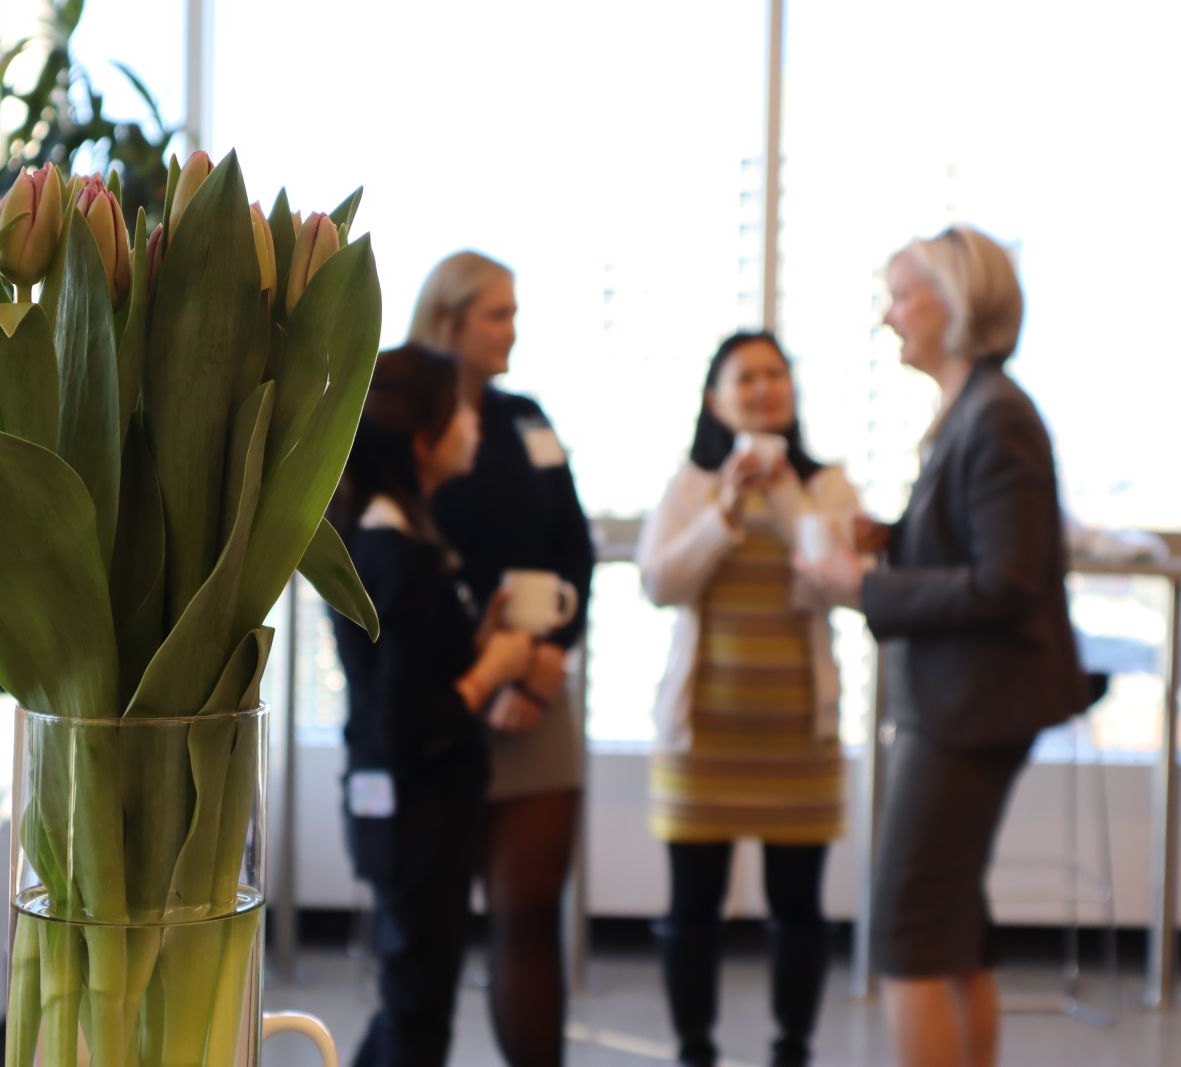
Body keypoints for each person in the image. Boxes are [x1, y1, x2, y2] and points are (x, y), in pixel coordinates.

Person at [796, 225, 1088, 1067]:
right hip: (965, 701)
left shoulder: (996, 417)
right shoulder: (975, 411)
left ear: (953, 303)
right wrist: (894, 538)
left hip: (970, 710)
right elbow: (982, 548)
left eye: (900, 296)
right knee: (950, 922)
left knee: (910, 929)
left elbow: (1007, 581)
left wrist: (865, 586)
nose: (888, 316)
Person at [636, 330, 857, 1067]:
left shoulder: (827, 486)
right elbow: (659, 583)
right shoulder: (690, 485)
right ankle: (694, 1048)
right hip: (701, 738)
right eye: (746, 377)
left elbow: (833, 578)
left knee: (798, 908)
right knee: (691, 909)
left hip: (799, 738)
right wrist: (725, 510)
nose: (763, 389)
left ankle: (793, 1048)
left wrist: (785, 491)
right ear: (715, 398)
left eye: (775, 374)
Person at [410, 251, 596, 1067]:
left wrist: (545, 661)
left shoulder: (528, 420)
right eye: (499, 314)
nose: (512, 330)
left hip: (539, 691)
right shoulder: (402, 422)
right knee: (430, 926)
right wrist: (485, 672)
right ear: (449, 320)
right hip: (445, 693)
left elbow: (576, 549)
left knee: (528, 916)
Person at [329, 343, 536, 1067]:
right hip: (416, 814)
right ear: (422, 438)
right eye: (463, 412)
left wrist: (473, 645)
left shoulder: (388, 537)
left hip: (403, 811)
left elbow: (407, 671)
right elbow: (407, 722)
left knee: (410, 999)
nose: (478, 425)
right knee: (417, 1011)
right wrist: (493, 670)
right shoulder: (399, 554)